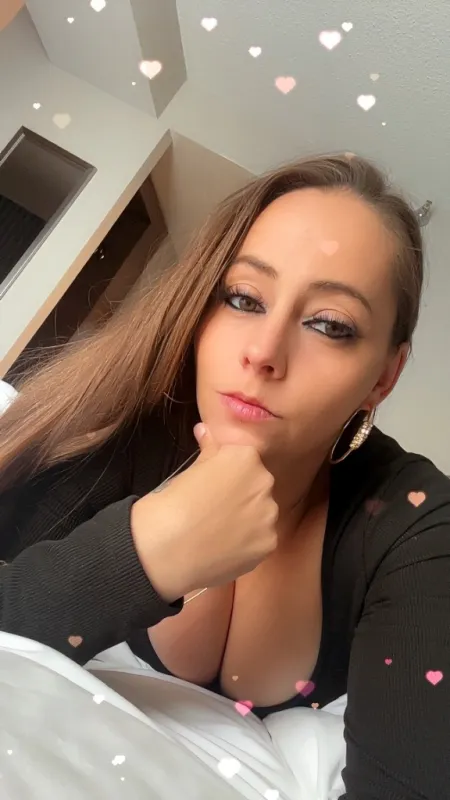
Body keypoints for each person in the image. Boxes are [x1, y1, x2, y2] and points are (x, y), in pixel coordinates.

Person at [0, 153, 449, 798]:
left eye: (329, 325)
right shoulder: (125, 425)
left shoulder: (416, 522)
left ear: (384, 376)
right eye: (243, 298)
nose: (263, 353)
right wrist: (143, 555)